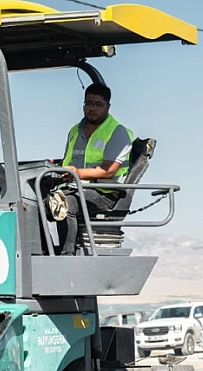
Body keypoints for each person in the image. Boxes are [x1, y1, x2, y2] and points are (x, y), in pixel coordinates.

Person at [58, 83, 134, 256]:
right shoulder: (75, 131)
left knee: (65, 204)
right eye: (88, 103)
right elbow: (67, 160)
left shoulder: (117, 132)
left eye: (98, 105)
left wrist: (76, 173)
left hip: (105, 192)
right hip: (77, 187)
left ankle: (66, 256)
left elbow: (109, 171)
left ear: (108, 106)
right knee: (36, 199)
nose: (92, 109)